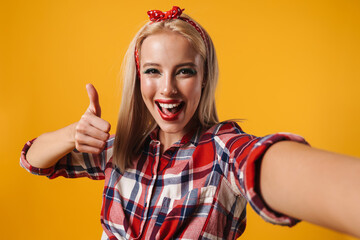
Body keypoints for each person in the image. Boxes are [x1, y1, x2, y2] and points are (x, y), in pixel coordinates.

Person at [20, 6, 360, 240]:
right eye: (153, 71)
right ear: (138, 79)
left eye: (184, 71)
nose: (167, 88)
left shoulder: (222, 151)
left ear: (203, 79)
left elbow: (264, 163)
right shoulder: (118, 150)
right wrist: (73, 134)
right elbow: (32, 160)